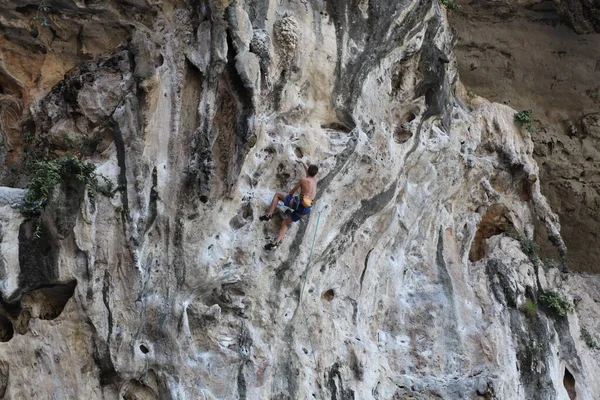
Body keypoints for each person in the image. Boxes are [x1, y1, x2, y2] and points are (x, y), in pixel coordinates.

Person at [260, 160, 318, 250]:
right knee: (286, 223)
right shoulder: (315, 180)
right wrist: (303, 163)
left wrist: (289, 197)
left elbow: (292, 192)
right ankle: (275, 243)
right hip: (306, 209)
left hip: (298, 204)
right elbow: (309, 171)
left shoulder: (304, 180)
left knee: (278, 195)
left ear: (308, 171)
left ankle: (268, 215)